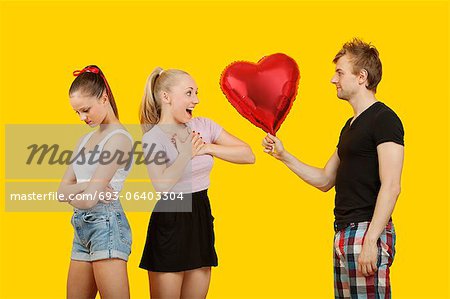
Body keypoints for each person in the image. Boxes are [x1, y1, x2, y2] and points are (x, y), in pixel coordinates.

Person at [262, 38, 404, 298]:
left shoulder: (384, 119)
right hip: (343, 233)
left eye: (339, 72)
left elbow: (392, 185)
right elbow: (325, 179)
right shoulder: (350, 127)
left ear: (361, 77)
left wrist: (371, 240)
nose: (332, 79)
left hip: (366, 231)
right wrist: (283, 155)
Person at [139, 67, 255, 298]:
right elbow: (161, 185)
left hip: (201, 215)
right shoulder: (153, 137)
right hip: (171, 219)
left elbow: (248, 155)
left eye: (196, 93)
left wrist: (208, 147)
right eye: (189, 93)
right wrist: (186, 154)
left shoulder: (203, 126)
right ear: (166, 97)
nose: (196, 100)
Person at [58, 65, 133, 299]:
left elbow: (89, 200)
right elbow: (61, 192)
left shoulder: (119, 139)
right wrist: (85, 186)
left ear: (104, 98)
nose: (82, 118)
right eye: (77, 112)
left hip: (106, 225)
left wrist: (79, 192)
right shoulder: (85, 139)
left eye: (86, 109)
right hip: (81, 228)